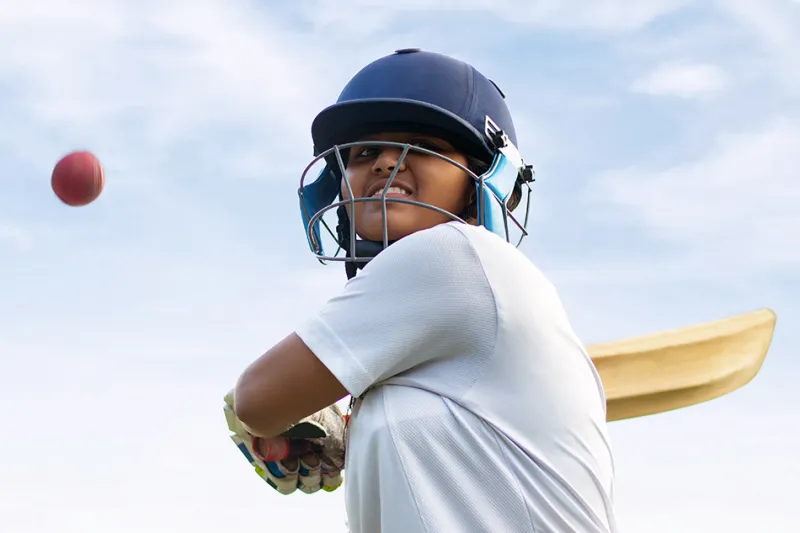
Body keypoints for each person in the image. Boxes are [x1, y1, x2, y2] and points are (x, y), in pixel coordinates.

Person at [228, 48, 617, 533]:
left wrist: (276, 410)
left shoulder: (455, 254)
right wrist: (350, 436)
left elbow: (257, 401)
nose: (386, 161)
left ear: (487, 179)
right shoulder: (436, 322)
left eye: (420, 144)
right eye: (364, 152)